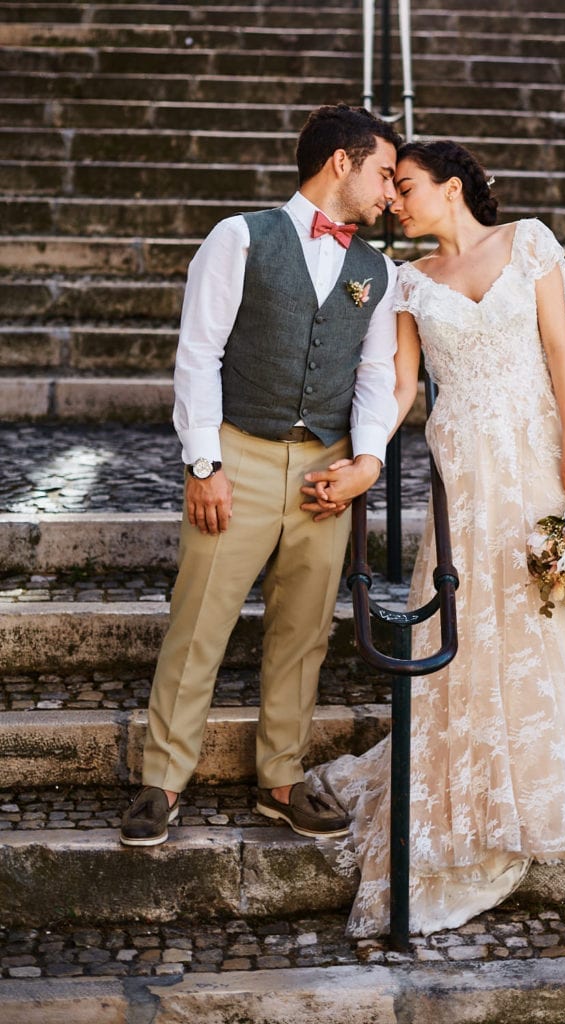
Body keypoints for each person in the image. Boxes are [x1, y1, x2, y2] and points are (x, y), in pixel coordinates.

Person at [311, 140, 565, 937]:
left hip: (537, 454)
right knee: (476, 621)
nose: (394, 200)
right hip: (465, 468)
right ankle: (477, 788)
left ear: (452, 187)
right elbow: (401, 386)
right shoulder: (407, 282)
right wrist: (366, 462)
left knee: (548, 609)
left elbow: (558, 351)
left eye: (406, 187)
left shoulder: (528, 241)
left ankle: (546, 779)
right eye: (390, 188)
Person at [120, 104, 402, 848]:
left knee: (304, 630)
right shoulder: (240, 236)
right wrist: (204, 463)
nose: (390, 193)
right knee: (199, 619)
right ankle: (162, 781)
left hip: (326, 469)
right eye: (381, 173)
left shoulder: (378, 270)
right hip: (237, 453)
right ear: (341, 161)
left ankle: (281, 780)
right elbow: (198, 354)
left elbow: (375, 376)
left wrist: (362, 463)